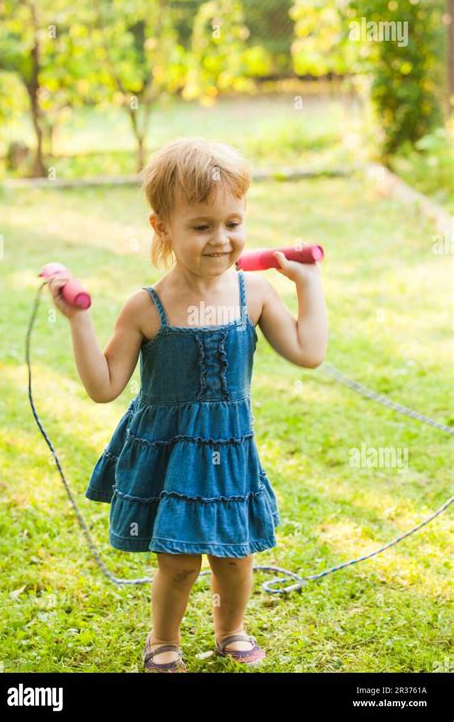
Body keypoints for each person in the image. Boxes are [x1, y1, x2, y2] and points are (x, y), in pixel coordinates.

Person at [45, 137, 328, 673]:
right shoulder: (146, 306)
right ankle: (163, 640)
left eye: (233, 223)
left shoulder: (256, 293)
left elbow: (309, 352)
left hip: (228, 448)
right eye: (201, 226)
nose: (221, 239)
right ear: (162, 228)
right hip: (172, 453)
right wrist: (79, 320)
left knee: (235, 554)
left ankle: (231, 631)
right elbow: (104, 386)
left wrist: (309, 286)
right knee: (177, 561)